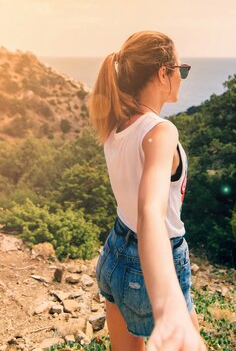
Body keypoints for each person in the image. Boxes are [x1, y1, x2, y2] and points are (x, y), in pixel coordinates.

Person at [89, 31, 206, 351]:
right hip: (152, 264)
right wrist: (170, 306)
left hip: (114, 254)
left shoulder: (116, 127)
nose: (182, 79)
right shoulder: (161, 131)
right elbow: (150, 212)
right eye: (181, 71)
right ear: (162, 74)